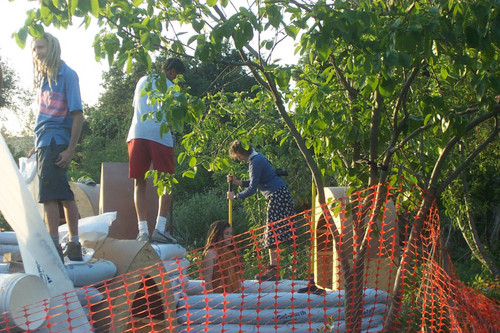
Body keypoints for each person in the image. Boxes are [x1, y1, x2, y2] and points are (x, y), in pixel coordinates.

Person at [29, 32, 84, 262]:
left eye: (40, 47)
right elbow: (42, 116)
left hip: (56, 140)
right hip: (44, 141)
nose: (37, 53)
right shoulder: (43, 78)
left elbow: (78, 114)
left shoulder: (67, 75)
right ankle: (73, 244)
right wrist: (35, 144)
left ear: (51, 48)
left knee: (49, 196)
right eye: (34, 49)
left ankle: (53, 247)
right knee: (63, 193)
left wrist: (70, 149)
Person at [127, 57, 186, 243]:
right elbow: (173, 119)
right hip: (160, 136)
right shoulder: (172, 88)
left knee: (139, 182)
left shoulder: (142, 80)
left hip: (136, 133)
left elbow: (136, 106)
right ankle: (159, 229)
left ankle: (142, 230)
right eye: (177, 75)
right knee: (166, 182)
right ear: (173, 72)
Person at [227, 140, 296, 281]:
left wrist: (235, 196)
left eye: (238, 156)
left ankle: (274, 270)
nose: (238, 159)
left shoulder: (255, 162)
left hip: (277, 195)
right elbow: (255, 181)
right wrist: (238, 182)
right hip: (280, 194)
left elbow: (252, 189)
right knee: (273, 233)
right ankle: (274, 268)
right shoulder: (258, 158)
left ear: (241, 152)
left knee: (272, 232)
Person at [201, 220, 242, 293]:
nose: (230, 237)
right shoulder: (211, 254)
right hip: (219, 299)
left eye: (230, 234)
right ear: (218, 235)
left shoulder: (231, 253)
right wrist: (213, 301)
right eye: (227, 234)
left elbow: (237, 277)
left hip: (234, 298)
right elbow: (208, 281)